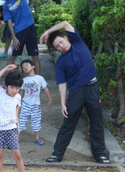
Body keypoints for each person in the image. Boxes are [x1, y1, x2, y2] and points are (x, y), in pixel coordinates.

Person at [39, 21, 109, 164]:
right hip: (76, 92)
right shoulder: (60, 63)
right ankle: (57, 154)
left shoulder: (77, 42)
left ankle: (100, 154)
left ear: (65, 38)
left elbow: (65, 23)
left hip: (92, 88)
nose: (61, 46)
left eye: (60, 42)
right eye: (57, 46)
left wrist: (47, 32)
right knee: (68, 123)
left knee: (97, 122)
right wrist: (63, 103)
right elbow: (62, 84)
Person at [0, 64, 32, 172]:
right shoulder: (1, 93)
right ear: (6, 86)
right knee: (0, 155)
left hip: (11, 128)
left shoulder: (18, 97)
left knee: (17, 154)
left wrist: (16, 116)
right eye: (12, 87)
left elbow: (17, 106)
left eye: (17, 87)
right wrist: (5, 69)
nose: (14, 90)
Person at [18, 59, 52, 145]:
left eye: (26, 65)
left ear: (33, 66)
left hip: (36, 105)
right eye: (23, 67)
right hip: (25, 104)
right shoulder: (24, 80)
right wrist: (17, 101)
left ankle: (37, 137)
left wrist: (50, 99)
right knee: (22, 120)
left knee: (36, 121)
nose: (24, 68)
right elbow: (21, 92)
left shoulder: (40, 78)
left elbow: (46, 89)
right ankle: (17, 137)